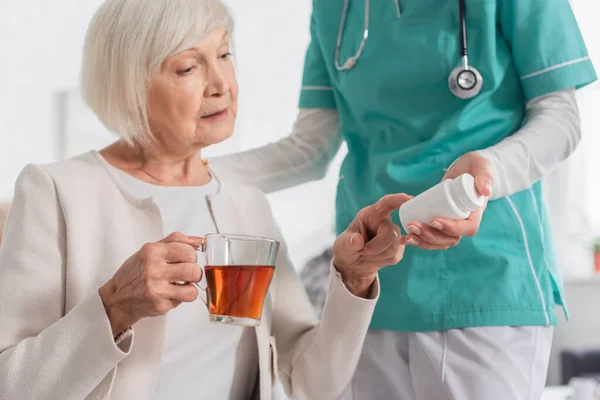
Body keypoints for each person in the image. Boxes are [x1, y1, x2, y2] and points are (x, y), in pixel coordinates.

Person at [0, 1, 410, 399]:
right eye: (188, 67)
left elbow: (312, 383)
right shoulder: (56, 191)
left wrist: (353, 280)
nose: (221, 85)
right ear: (130, 85)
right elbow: (11, 387)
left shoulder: (244, 201)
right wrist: (115, 308)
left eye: (225, 54)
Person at [210, 0, 598, 398]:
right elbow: (311, 146)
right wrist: (184, 172)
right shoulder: (333, 7)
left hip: (485, 282)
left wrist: (489, 169)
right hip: (368, 287)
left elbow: (560, 118)